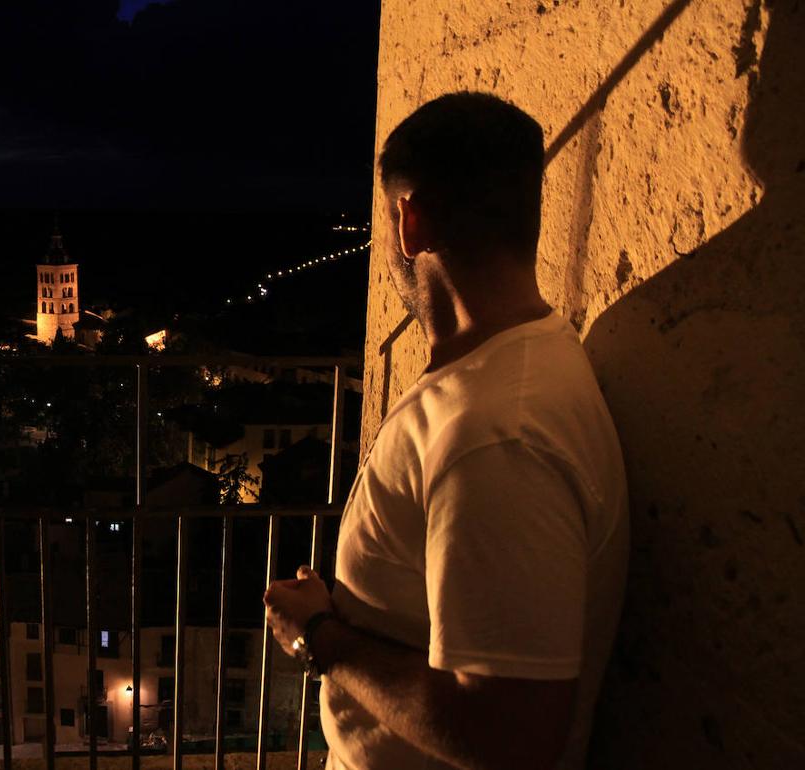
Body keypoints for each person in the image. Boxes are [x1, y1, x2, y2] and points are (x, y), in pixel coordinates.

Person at [264, 92, 628, 770]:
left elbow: (509, 737)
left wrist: (316, 635)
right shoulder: (504, 373)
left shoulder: (498, 434)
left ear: (411, 221)